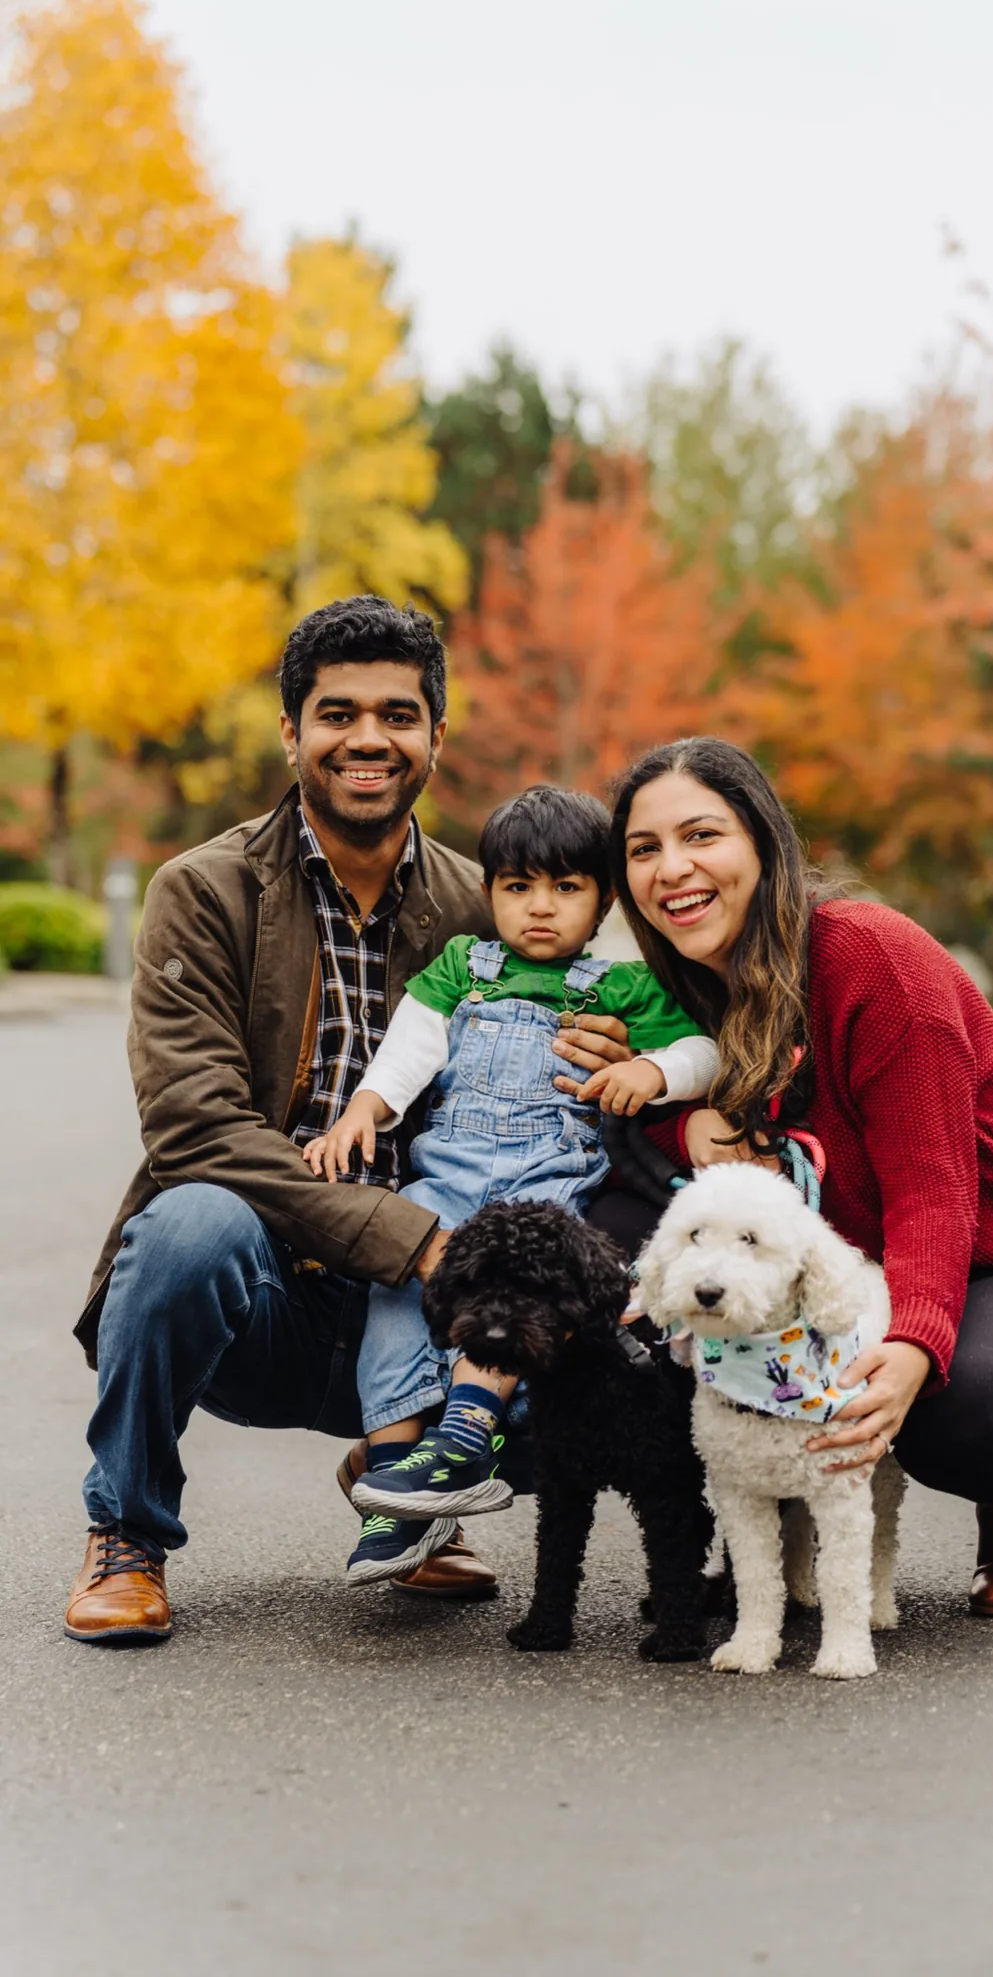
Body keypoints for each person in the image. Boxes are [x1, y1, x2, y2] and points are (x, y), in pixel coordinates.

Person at [63, 597, 637, 1645]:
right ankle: (126, 1529)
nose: (367, 737)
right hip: (272, 1293)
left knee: (590, 1272)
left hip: (434, 1297)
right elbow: (192, 1125)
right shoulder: (202, 891)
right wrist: (411, 1242)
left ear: (433, 738)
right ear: (292, 732)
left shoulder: (492, 905)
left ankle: (411, 1475)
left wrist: (619, 1063)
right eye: (336, 713)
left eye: (397, 714)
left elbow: (601, 1066)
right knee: (192, 1221)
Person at [612, 737, 993, 1617]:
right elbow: (649, 1140)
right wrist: (682, 1120)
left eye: (701, 835)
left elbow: (932, 1186)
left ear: (762, 844)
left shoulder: (871, 959)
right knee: (627, 1259)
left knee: (960, 1400)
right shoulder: (679, 991)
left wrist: (914, 1342)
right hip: (862, 1274)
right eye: (644, 849)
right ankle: (748, 1542)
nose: (674, 868)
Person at [302, 784, 718, 1583]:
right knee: (396, 1275)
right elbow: (412, 1044)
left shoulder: (620, 988)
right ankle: (393, 1484)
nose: (539, 907)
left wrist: (649, 1068)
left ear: (601, 902)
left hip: (548, 1185)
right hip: (445, 1181)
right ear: (488, 890)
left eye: (566, 888)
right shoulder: (467, 967)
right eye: (517, 886)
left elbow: (704, 1053)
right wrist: (366, 1107)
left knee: (519, 1285)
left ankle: (464, 1432)